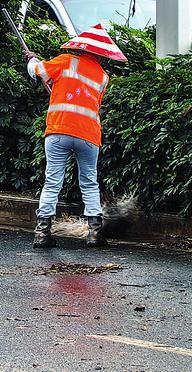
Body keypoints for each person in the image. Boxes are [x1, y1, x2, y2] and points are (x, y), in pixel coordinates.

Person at [26, 23, 127, 248]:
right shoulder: (103, 77)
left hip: (59, 130)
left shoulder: (66, 61)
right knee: (89, 182)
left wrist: (31, 59)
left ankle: (42, 233)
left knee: (52, 181)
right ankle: (94, 234)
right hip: (89, 134)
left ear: (81, 47)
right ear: (102, 55)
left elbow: (38, 71)